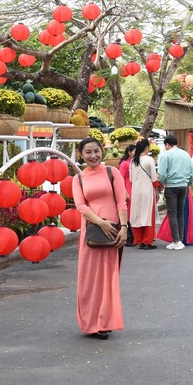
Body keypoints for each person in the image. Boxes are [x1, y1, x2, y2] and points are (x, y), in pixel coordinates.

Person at [73, 137, 128, 340]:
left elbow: (122, 201)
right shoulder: (78, 179)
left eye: (96, 151)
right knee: (88, 280)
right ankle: (89, 323)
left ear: (101, 152)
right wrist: (100, 222)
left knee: (108, 279)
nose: (93, 155)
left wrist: (123, 227)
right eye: (88, 152)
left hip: (114, 232)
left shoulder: (112, 173)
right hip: (92, 233)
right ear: (81, 155)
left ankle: (104, 322)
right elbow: (81, 207)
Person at [157, 134, 193, 250]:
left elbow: (162, 173)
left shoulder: (165, 155)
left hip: (171, 186)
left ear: (167, 144)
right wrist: (189, 183)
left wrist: (162, 183)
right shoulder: (185, 154)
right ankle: (180, 238)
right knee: (180, 213)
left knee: (172, 213)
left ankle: (176, 241)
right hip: (184, 186)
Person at [128, 139, 159, 249]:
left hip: (136, 192)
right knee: (148, 216)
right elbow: (154, 178)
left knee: (138, 215)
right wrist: (157, 189)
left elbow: (131, 179)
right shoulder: (149, 159)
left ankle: (140, 240)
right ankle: (147, 241)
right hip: (147, 191)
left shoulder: (132, 161)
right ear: (146, 148)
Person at [118, 144, 136, 246]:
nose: (135, 153)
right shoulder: (124, 164)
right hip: (127, 189)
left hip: (133, 189)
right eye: (134, 151)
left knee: (132, 214)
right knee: (128, 215)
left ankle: (133, 237)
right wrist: (124, 192)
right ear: (129, 152)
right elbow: (120, 179)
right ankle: (129, 237)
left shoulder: (133, 162)